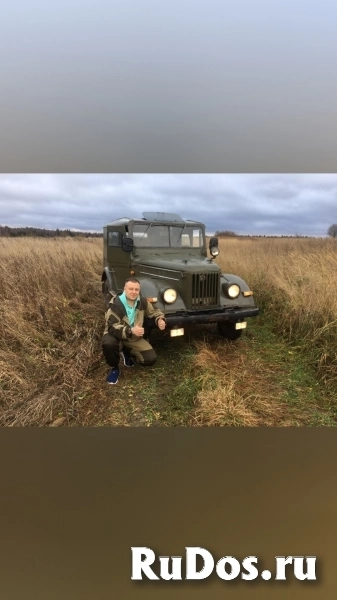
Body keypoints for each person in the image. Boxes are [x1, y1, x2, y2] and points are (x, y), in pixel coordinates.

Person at [102, 277, 167, 384]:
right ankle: (114, 368)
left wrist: (160, 320)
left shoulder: (142, 301)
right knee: (108, 344)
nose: (134, 292)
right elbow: (112, 327)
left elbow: (155, 312)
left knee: (150, 359)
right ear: (124, 289)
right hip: (116, 335)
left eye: (136, 289)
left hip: (133, 336)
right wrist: (131, 331)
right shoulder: (115, 304)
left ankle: (127, 353)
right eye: (131, 289)